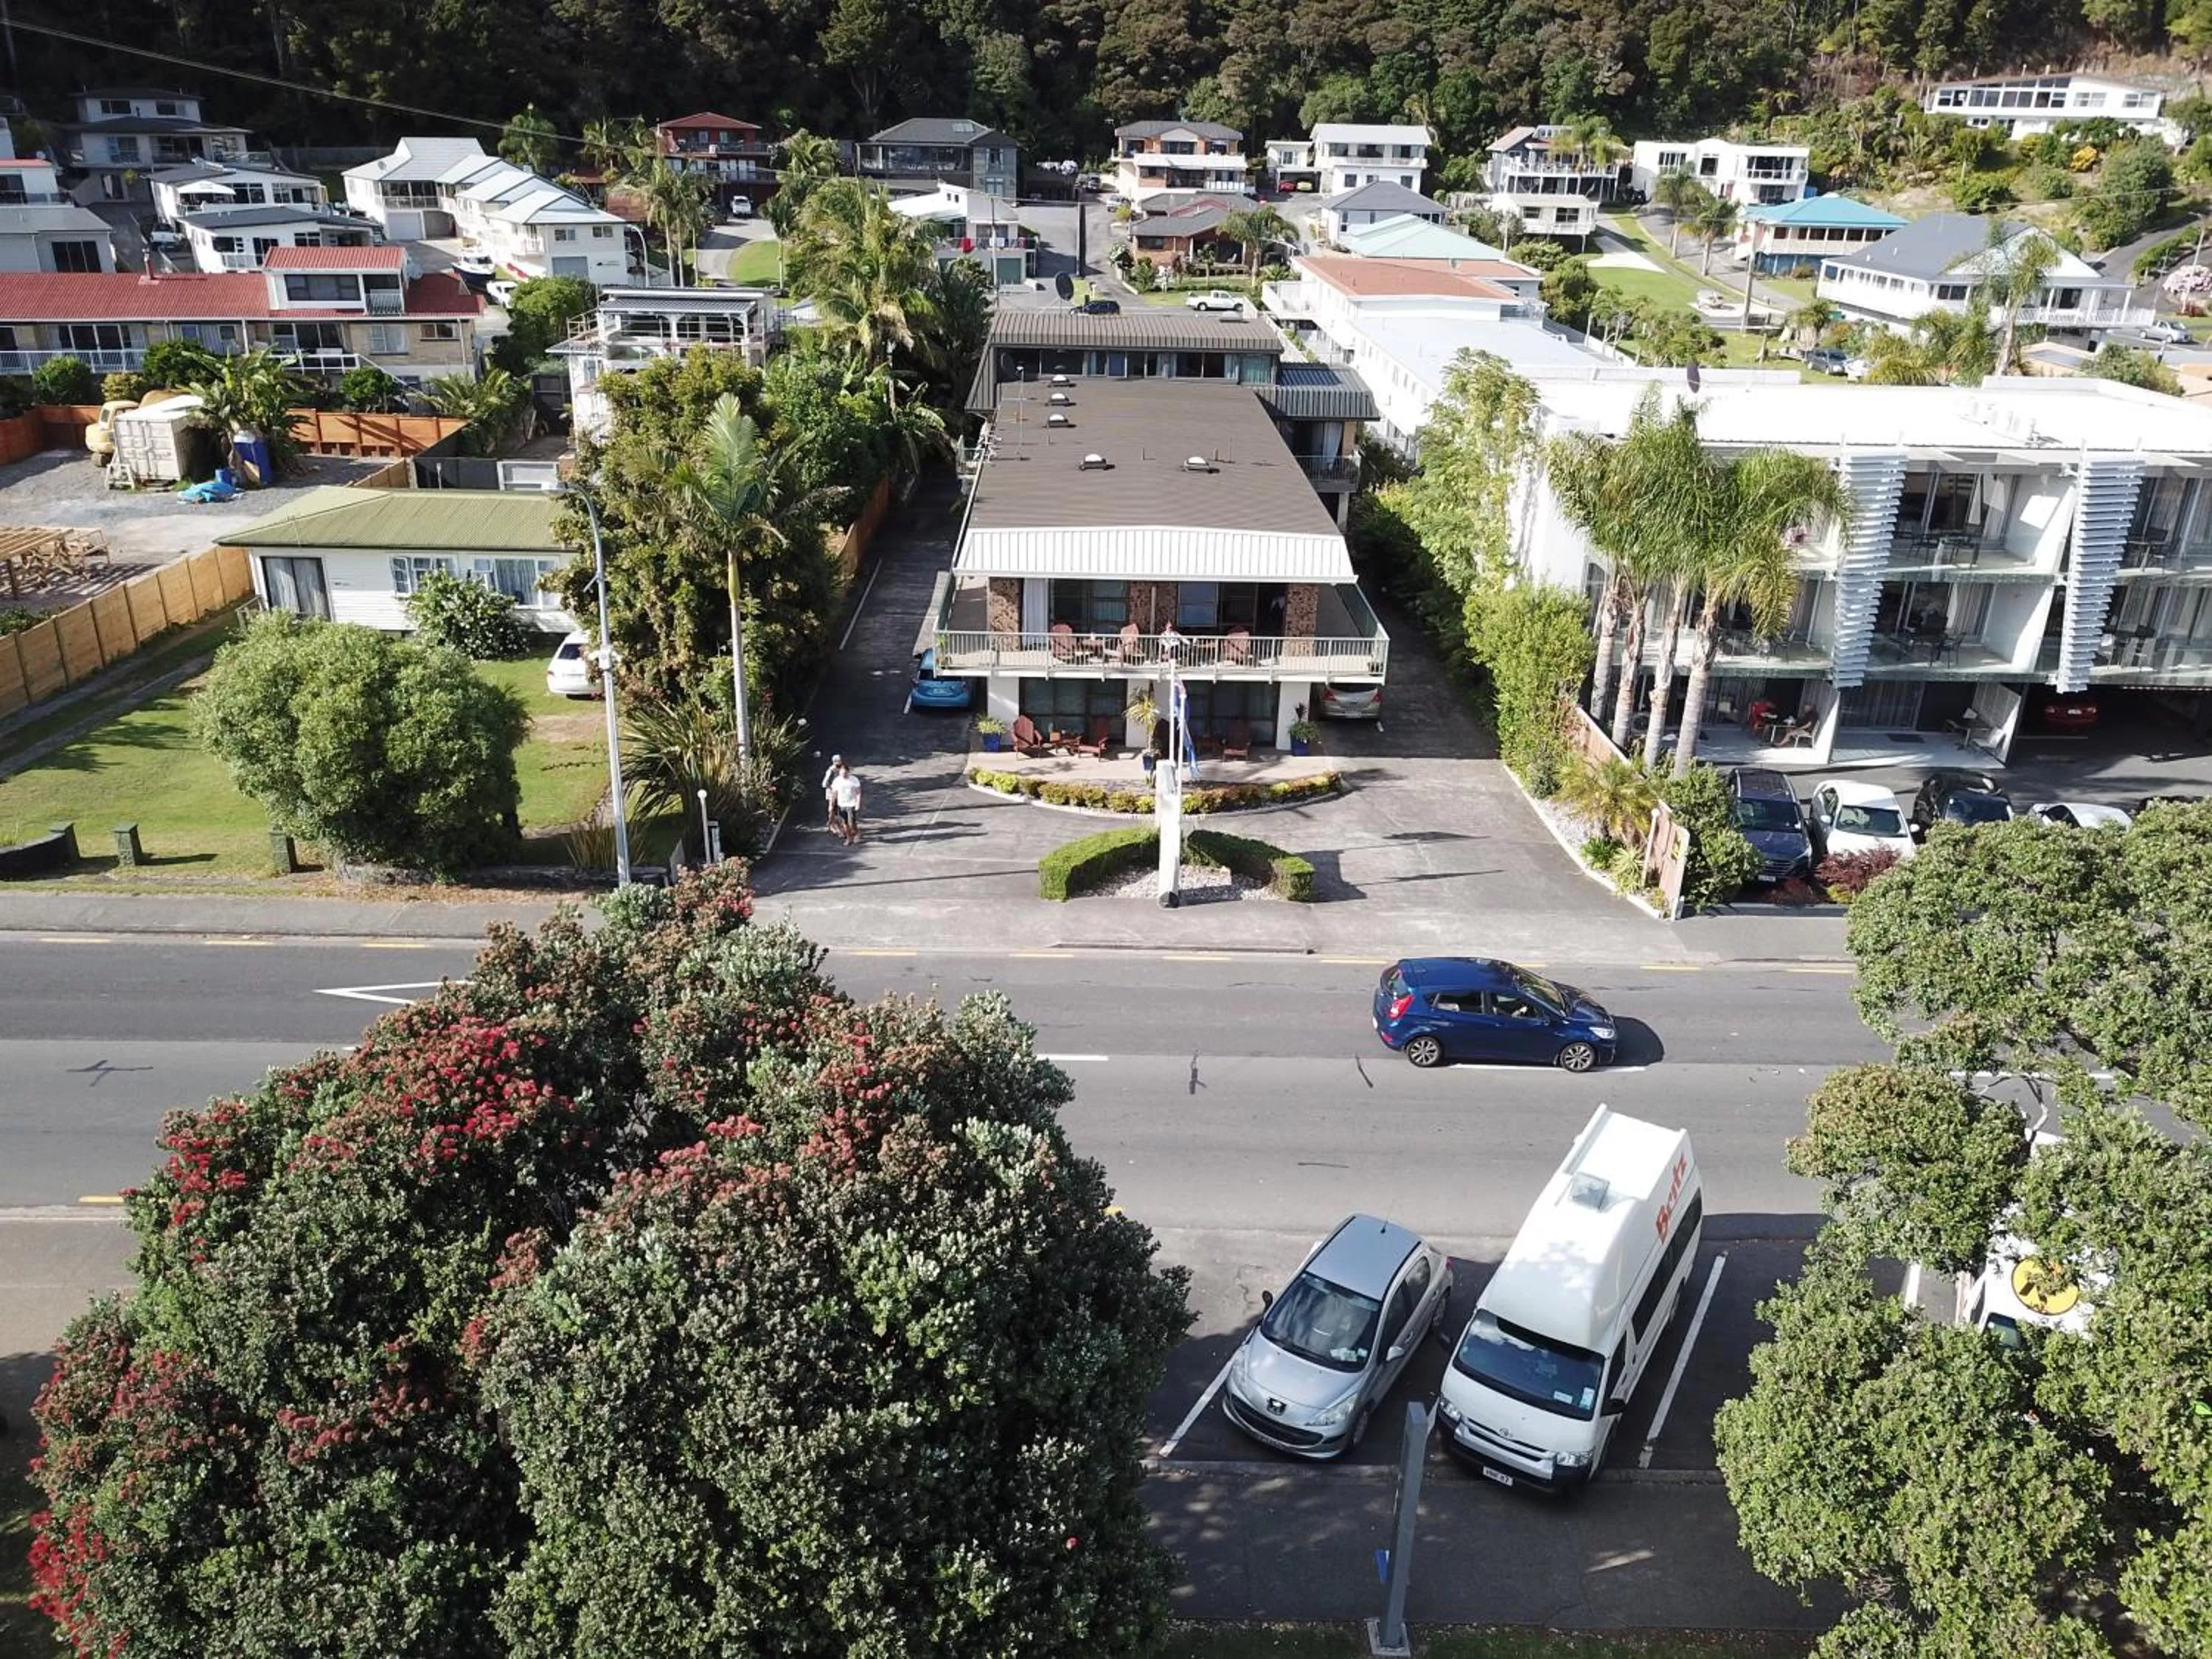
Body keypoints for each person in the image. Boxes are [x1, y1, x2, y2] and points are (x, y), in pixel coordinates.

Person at [830, 764, 863, 846]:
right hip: (841, 804)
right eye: (841, 774)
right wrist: (831, 805)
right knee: (845, 823)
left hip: (851, 804)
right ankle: (849, 839)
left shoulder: (854, 780)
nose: (843, 775)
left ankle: (855, 833)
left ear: (848, 772)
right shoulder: (837, 781)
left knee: (851, 822)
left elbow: (858, 792)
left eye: (845, 773)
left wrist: (858, 803)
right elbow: (834, 794)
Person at [821, 753, 844, 833]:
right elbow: (824, 783)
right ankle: (832, 825)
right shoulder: (831, 771)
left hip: (839, 792)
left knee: (837, 809)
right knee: (832, 809)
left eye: (841, 761)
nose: (840, 762)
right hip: (832, 792)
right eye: (839, 761)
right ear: (834, 762)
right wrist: (832, 788)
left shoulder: (841, 769)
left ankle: (831, 824)